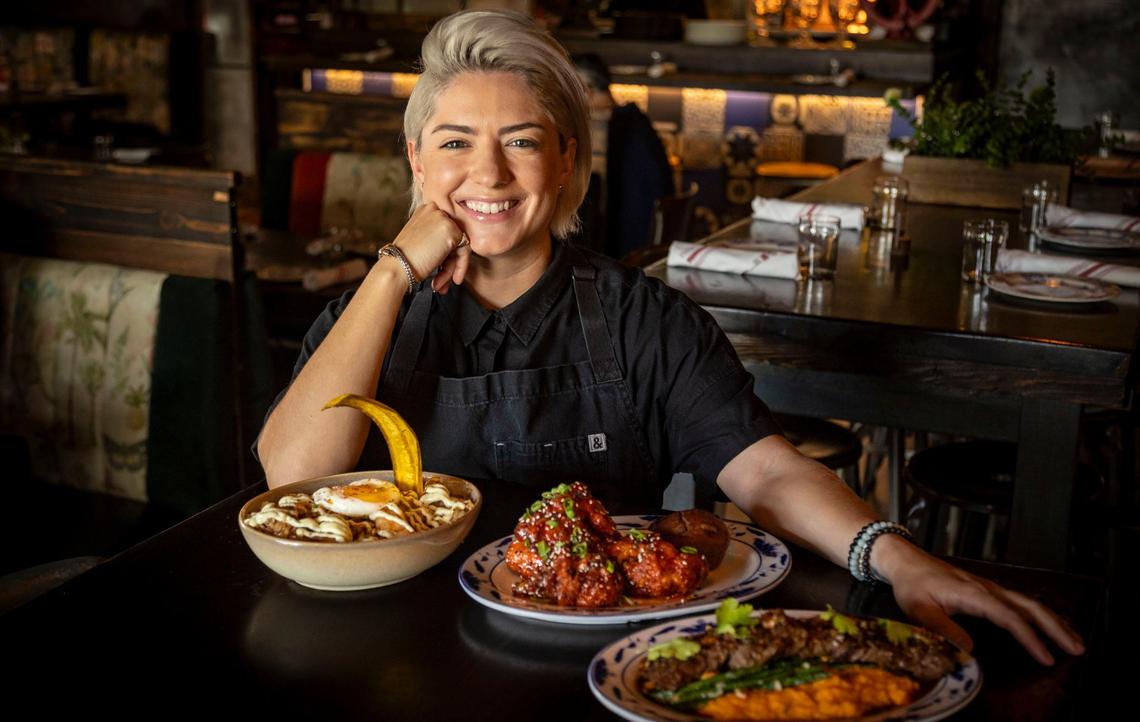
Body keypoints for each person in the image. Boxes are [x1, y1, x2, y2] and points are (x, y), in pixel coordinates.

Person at [256, 9, 1084, 668]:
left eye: (522, 141)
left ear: (565, 159)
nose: (490, 173)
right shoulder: (373, 314)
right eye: (454, 143)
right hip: (399, 661)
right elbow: (292, 476)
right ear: (416, 161)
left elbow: (764, 470)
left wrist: (896, 556)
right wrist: (394, 270)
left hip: (605, 660)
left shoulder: (643, 319)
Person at [571, 52, 674, 259]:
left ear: (584, 91)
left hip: (626, 253)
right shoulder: (633, 119)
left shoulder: (612, 129)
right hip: (648, 246)